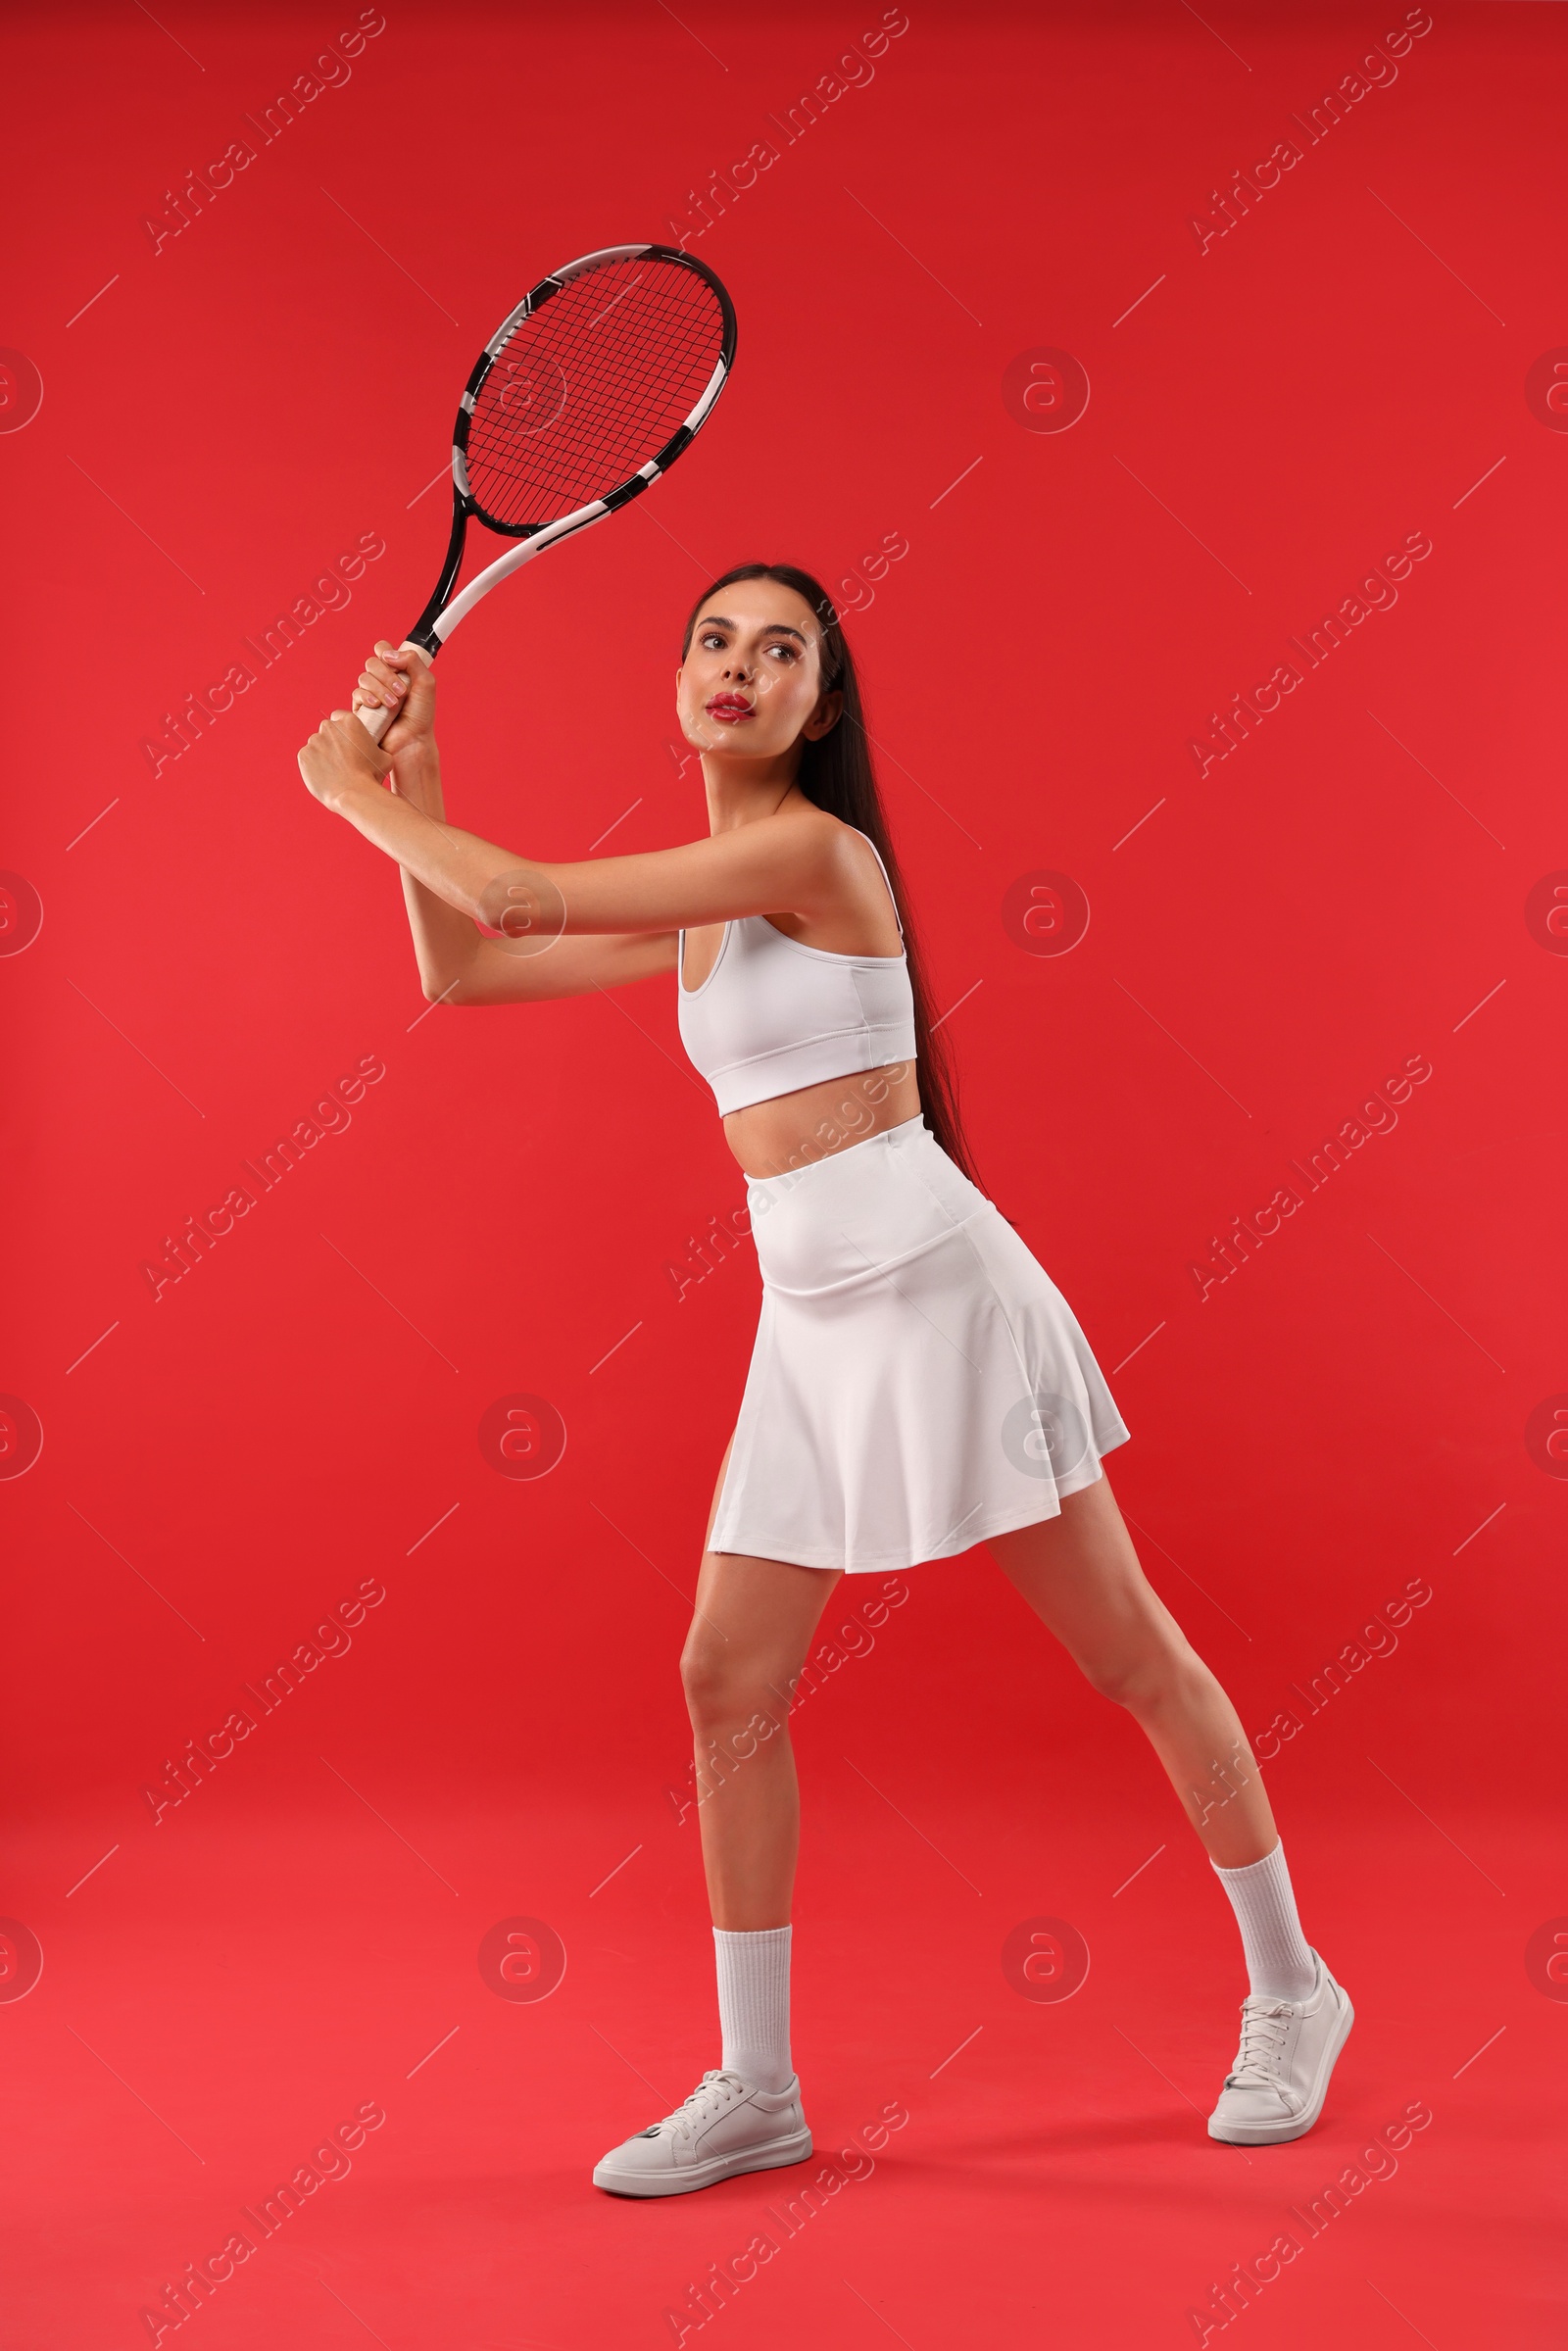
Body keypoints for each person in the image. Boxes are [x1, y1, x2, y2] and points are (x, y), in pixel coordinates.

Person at [297, 560, 1352, 2200]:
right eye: (712, 638)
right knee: (727, 1681)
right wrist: (417, 780)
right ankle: (760, 2086)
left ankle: (1296, 1988)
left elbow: (508, 901)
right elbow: (470, 968)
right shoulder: (711, 899)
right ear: (681, 681)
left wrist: (338, 787)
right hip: (810, 1323)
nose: (738, 665)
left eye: (779, 650)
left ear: (822, 706)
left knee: (1131, 1655)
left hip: (939, 1294)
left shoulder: (810, 852)